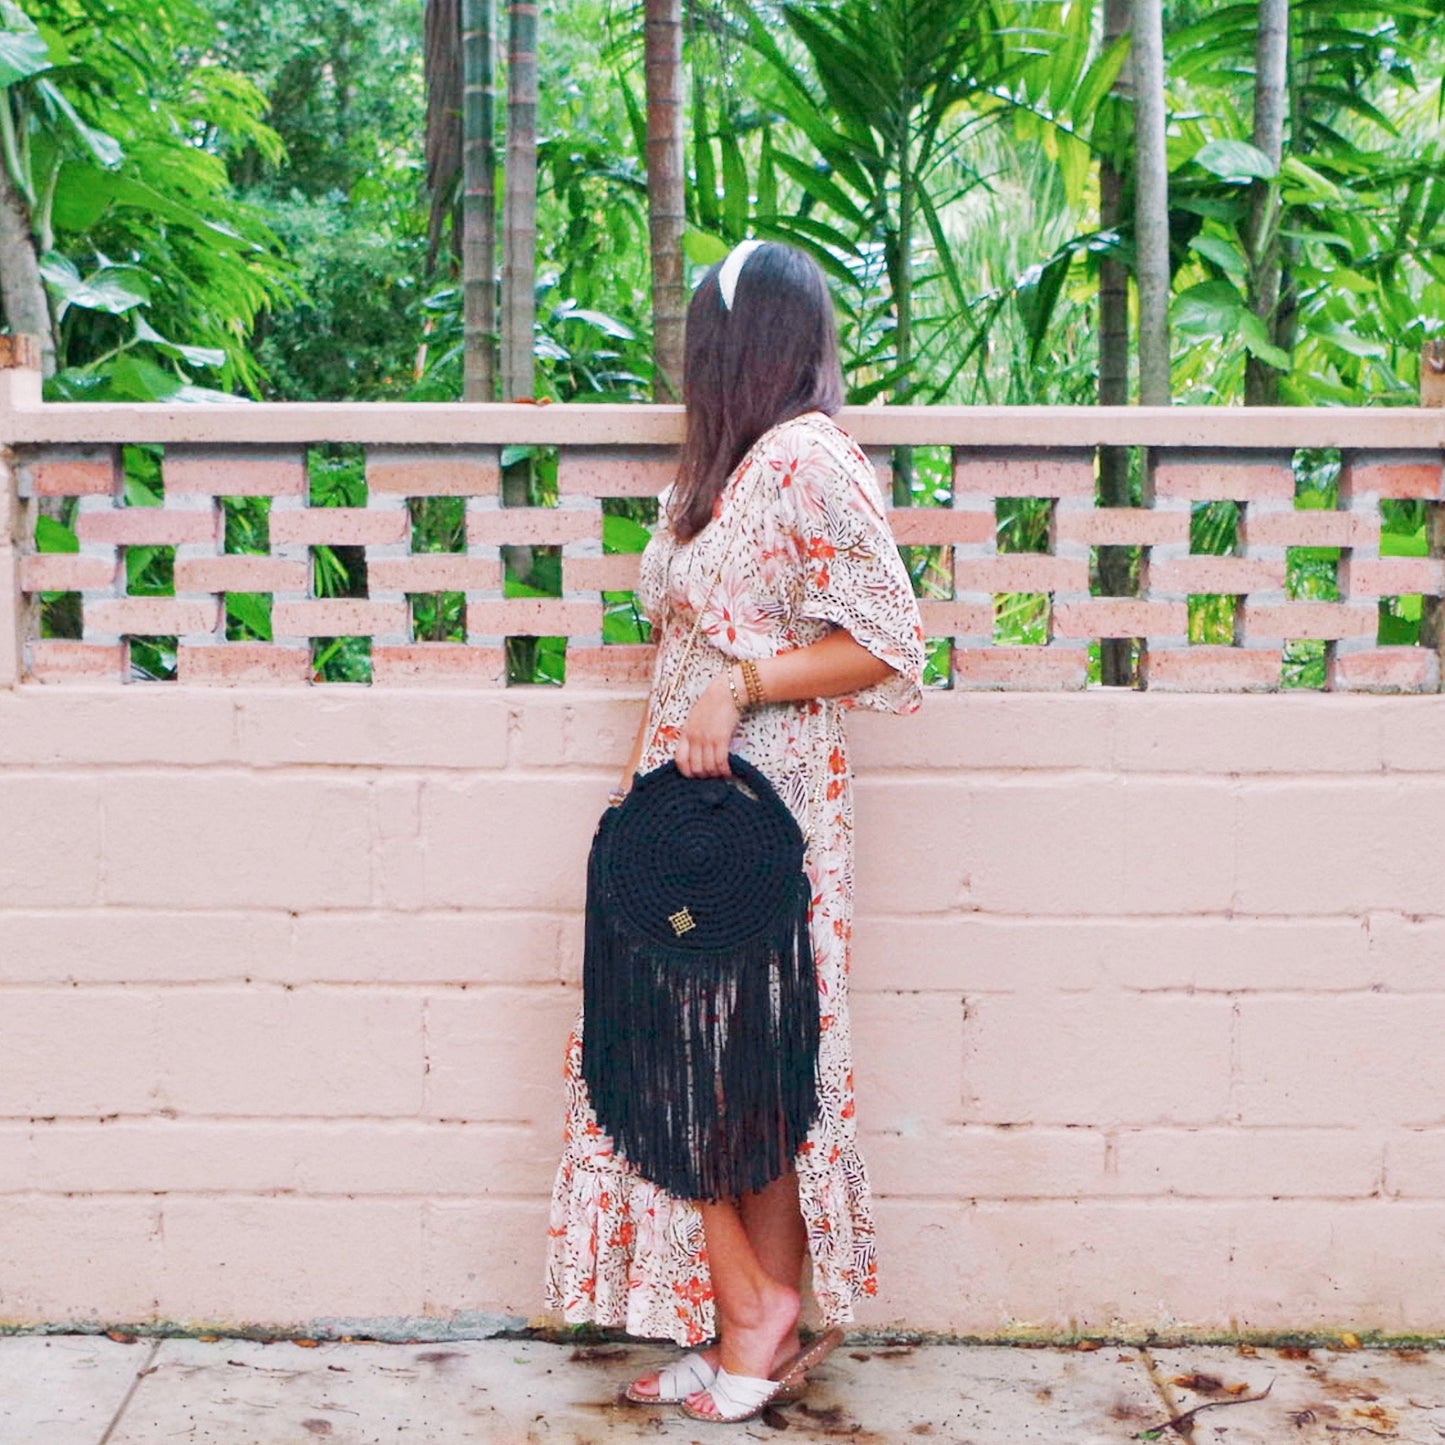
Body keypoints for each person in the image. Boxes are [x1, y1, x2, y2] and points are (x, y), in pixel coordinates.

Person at [544, 238, 926, 1424]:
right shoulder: (725, 468)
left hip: (756, 813)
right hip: (684, 816)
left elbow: (887, 643)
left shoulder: (808, 460)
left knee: (690, 1066)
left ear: (733, 345)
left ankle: (754, 1310)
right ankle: (744, 1321)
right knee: (728, 1071)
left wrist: (744, 684)